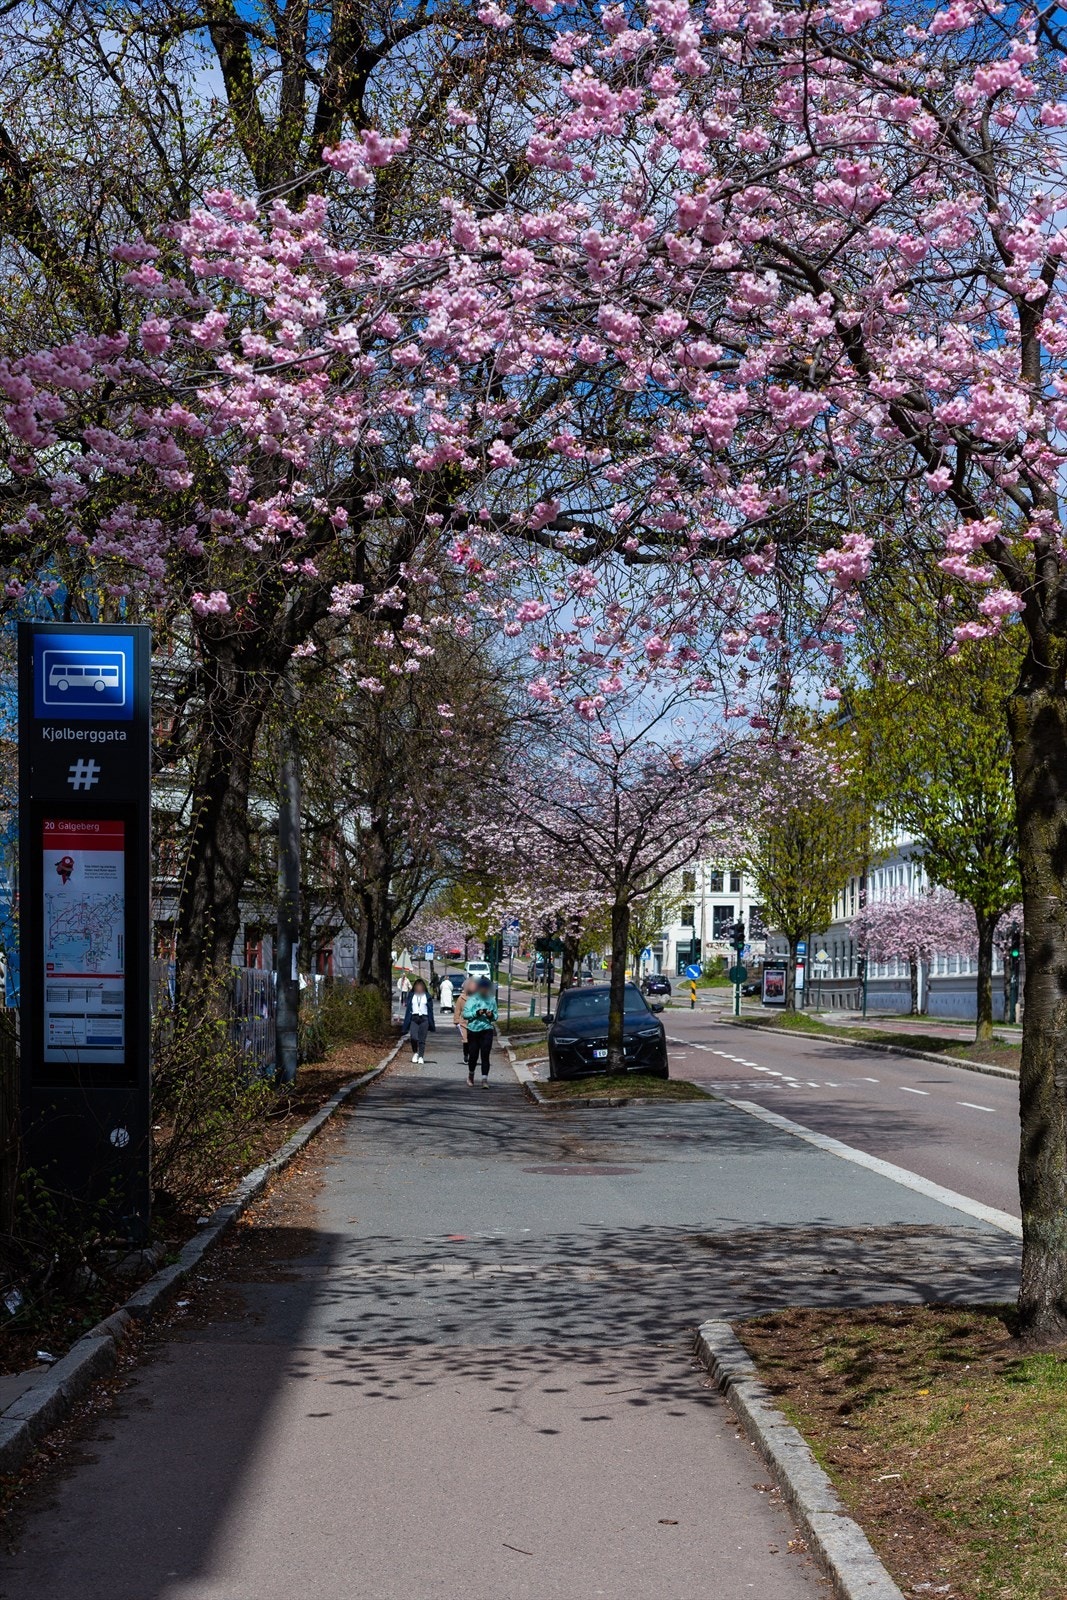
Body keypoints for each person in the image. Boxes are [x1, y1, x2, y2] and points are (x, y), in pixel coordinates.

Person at [463, 976, 498, 1087]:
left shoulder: (491, 1000)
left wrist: (491, 1015)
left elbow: (496, 1016)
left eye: (486, 988)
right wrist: (476, 1013)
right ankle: (471, 1074)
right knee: (473, 1055)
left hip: (486, 1029)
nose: (484, 990)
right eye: (482, 988)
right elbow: (465, 1014)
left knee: (485, 1054)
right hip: (473, 1030)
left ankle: (484, 1079)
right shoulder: (472, 999)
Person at [403, 977, 435, 1064]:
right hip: (414, 1018)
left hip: (424, 1019)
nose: (419, 988)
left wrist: (430, 1020)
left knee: (422, 1039)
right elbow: (408, 1007)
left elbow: (430, 1009)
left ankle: (421, 1056)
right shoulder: (412, 995)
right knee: (413, 1037)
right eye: (417, 986)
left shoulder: (427, 996)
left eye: (420, 986)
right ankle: (415, 1053)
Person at [454, 976, 476, 1071]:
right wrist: (456, 1020)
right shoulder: (461, 998)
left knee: (473, 1040)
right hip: (463, 1022)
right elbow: (457, 1010)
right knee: (465, 1040)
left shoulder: (477, 997)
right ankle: (466, 1055)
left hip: (474, 1022)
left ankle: (472, 1055)